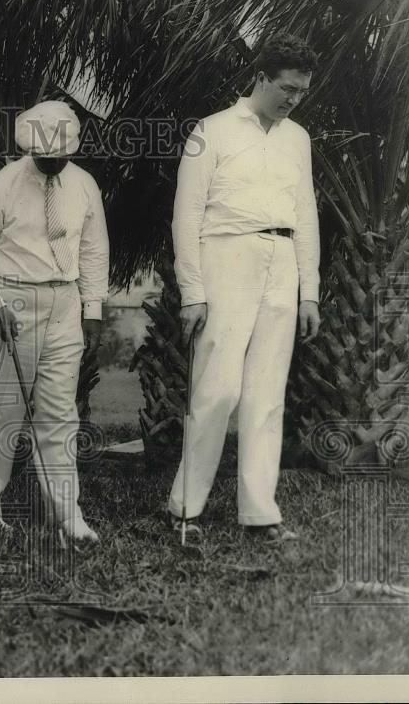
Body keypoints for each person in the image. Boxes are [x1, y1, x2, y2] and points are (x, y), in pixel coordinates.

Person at [169, 33, 322, 542]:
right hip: (225, 258)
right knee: (216, 388)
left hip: (282, 263)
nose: (292, 100)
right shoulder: (209, 131)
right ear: (260, 78)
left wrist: (309, 293)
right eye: (285, 88)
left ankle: (259, 512)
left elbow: (305, 216)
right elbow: (186, 217)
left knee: (266, 394)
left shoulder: (297, 138)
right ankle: (186, 508)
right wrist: (192, 291)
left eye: (300, 92)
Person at [0, 100, 110, 542]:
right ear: (30, 148)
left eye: (61, 154)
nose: (53, 162)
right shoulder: (0, 186)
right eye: (45, 156)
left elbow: (94, 251)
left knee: (60, 414)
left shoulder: (84, 185)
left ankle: (67, 516)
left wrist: (92, 310)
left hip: (64, 302)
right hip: (8, 300)